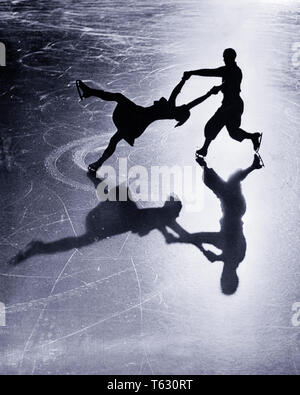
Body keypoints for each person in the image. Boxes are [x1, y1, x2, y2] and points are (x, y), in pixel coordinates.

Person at [163, 154, 263, 295]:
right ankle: (254, 165)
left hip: (229, 206)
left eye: (222, 278)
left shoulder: (225, 250)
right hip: (236, 208)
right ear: (232, 277)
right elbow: (204, 239)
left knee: (212, 181)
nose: (223, 275)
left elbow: (200, 238)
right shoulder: (235, 253)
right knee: (230, 181)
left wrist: (212, 255)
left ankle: (208, 165)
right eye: (225, 278)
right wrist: (214, 256)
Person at [76, 78, 220, 175]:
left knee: (118, 103)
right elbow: (192, 103)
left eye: (184, 108)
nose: (184, 105)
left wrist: (184, 80)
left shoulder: (171, 108)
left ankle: (98, 163)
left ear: (181, 113)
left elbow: (184, 97)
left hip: (137, 120)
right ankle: (98, 163)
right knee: (115, 134)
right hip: (137, 118)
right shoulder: (173, 111)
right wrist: (208, 94)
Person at [183, 48, 262, 157]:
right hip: (233, 105)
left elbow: (229, 83)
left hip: (232, 106)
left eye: (225, 58)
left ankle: (205, 149)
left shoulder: (234, 71)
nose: (224, 59)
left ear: (230, 58)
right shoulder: (228, 69)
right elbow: (210, 72)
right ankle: (253, 136)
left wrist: (219, 87)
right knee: (233, 132)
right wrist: (192, 73)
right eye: (224, 58)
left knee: (213, 125)